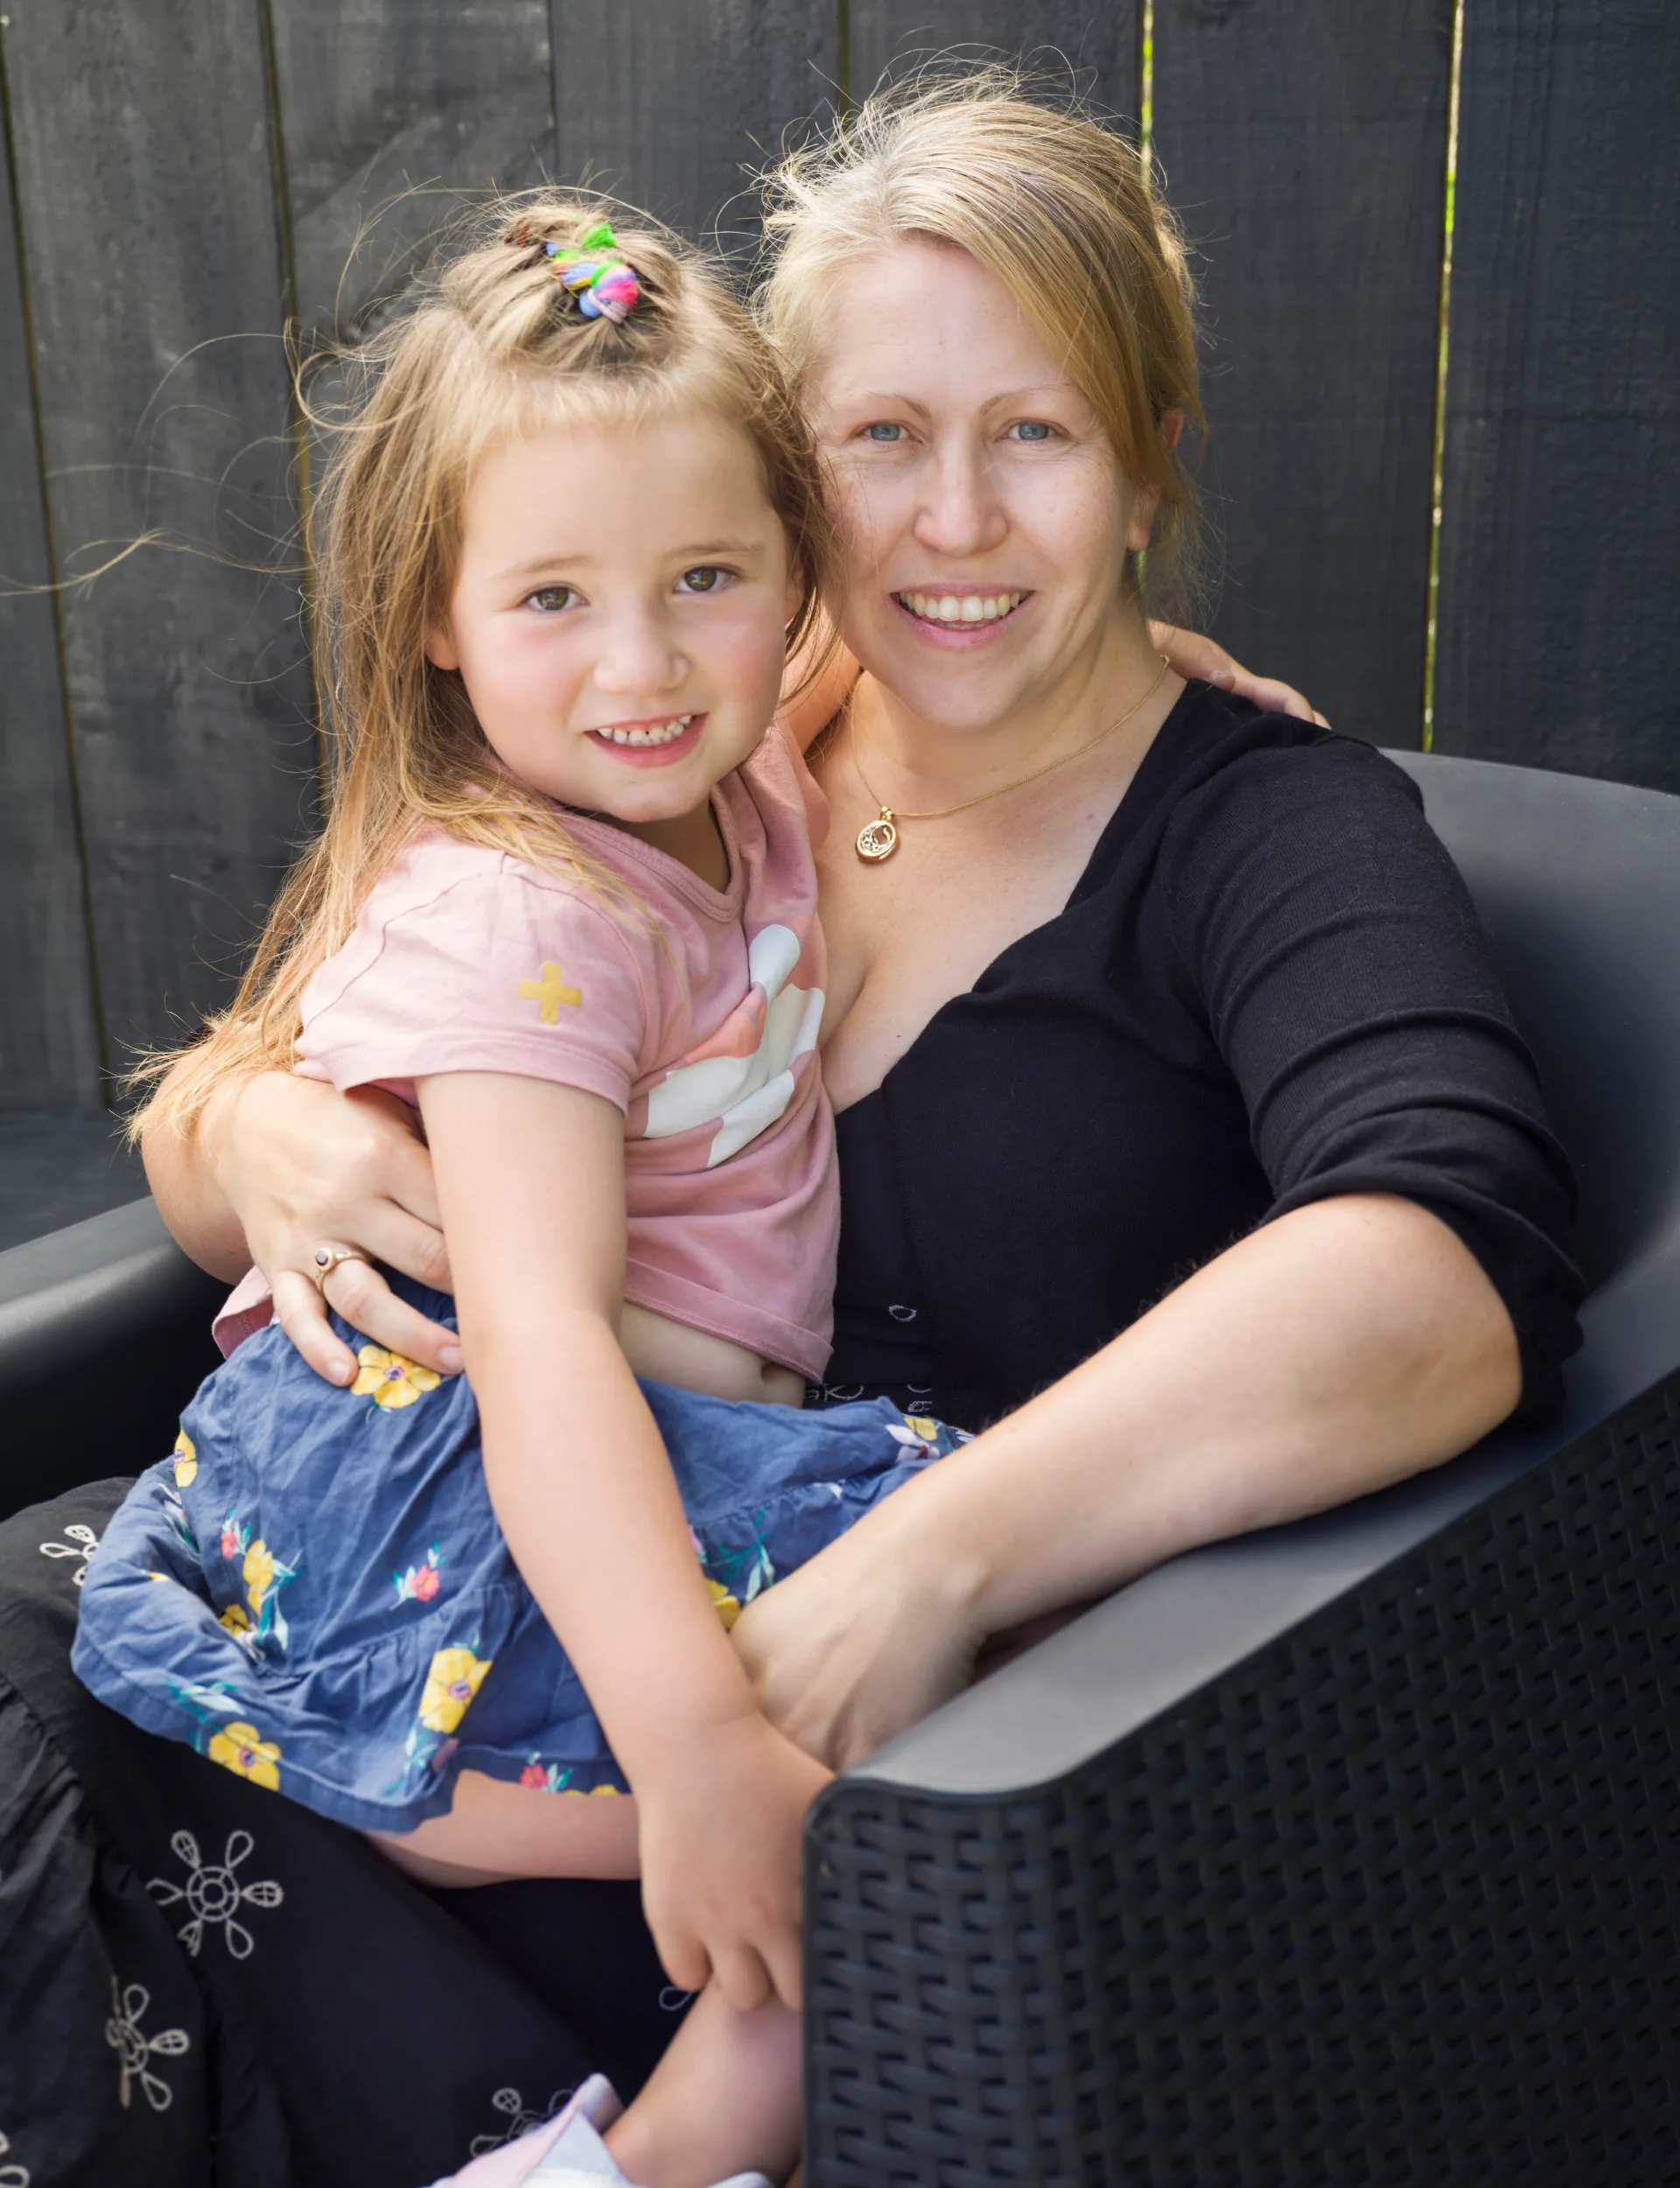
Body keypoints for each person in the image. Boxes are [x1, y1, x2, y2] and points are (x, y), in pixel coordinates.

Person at [1, 69, 1579, 2188]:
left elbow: (1445, 1277)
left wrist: (928, 1568)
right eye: (882, 442)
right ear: (795, 477)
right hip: (405, 1589)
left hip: (771, 1772)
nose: (952, 519)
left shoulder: (1263, 831)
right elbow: (292, 1072)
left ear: (1144, 467)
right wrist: (257, 1128)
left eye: (1034, 433)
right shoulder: (718, 733)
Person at [73, 199, 992, 2188]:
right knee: (887, 1766)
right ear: (436, 613)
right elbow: (542, 1329)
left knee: (933, 1738)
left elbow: (898, 661)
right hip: (470, 1511)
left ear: (783, 573)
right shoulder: (533, 919)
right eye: (554, 599)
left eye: (706, 579)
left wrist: (1161, 659)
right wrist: (698, 1741)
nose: (646, 663)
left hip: (534, 1492)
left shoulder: (725, 766)